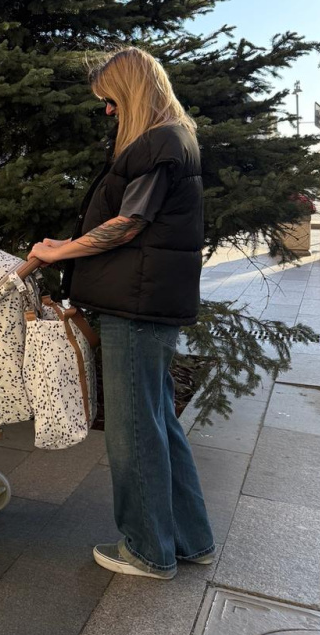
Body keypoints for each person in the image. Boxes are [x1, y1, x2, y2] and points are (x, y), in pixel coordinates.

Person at [29, 46, 215, 580]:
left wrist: (59, 251)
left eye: (110, 101)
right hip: (147, 300)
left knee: (133, 431)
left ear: (131, 93)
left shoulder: (158, 144)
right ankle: (189, 538)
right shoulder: (175, 138)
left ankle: (148, 550)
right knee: (158, 423)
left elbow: (128, 224)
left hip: (136, 305)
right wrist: (69, 244)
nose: (107, 111)